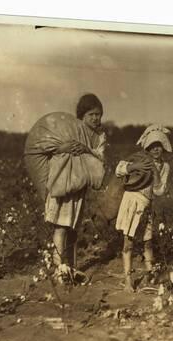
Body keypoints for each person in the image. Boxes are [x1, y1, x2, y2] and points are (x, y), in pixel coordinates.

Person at [44, 93, 107, 277]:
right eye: (91, 115)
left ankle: (70, 266)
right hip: (63, 185)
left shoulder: (99, 136)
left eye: (98, 114)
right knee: (61, 226)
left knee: (73, 228)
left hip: (79, 187)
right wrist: (64, 148)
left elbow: (101, 156)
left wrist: (87, 149)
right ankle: (59, 268)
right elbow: (52, 147)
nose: (96, 118)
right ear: (82, 116)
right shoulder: (70, 129)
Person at [114, 124, 171, 291]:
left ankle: (150, 274)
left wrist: (156, 173)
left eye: (158, 146)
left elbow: (159, 191)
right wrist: (133, 167)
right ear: (147, 147)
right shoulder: (138, 159)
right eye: (152, 147)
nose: (155, 150)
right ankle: (127, 279)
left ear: (163, 148)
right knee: (128, 241)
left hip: (147, 204)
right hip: (132, 202)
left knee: (147, 241)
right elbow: (119, 170)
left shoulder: (164, 167)